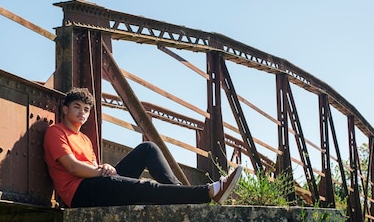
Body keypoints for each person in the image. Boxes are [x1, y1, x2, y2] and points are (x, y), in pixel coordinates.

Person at [43, 87, 243, 208]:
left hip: (96, 185)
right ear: (65, 109)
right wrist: (100, 171)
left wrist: (103, 168)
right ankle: (208, 191)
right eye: (77, 107)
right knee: (144, 186)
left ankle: (181, 193)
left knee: (148, 148)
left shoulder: (85, 139)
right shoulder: (56, 132)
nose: (82, 113)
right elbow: (74, 168)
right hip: (80, 194)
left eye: (86, 110)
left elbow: (92, 168)